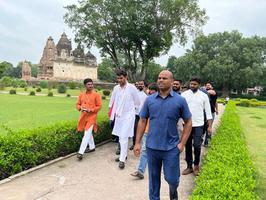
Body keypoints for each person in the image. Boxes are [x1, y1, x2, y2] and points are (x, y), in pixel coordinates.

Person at [134, 70, 192, 200]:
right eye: (159, 78)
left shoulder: (180, 100)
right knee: (153, 181)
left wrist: (182, 143)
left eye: (164, 78)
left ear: (171, 81)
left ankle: (173, 191)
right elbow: (142, 120)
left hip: (171, 148)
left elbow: (188, 122)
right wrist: (137, 142)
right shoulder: (149, 100)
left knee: (172, 179)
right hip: (152, 147)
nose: (160, 80)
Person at [109, 70, 140, 169]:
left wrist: (130, 110)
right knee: (120, 136)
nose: (119, 80)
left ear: (126, 77)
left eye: (121, 78)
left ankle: (122, 160)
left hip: (128, 116)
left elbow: (137, 102)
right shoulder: (116, 88)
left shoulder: (131, 88)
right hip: (119, 116)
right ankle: (124, 155)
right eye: (118, 78)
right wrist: (112, 115)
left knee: (124, 136)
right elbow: (112, 101)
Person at [181, 77, 213, 176]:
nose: (192, 86)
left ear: (199, 85)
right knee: (188, 145)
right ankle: (189, 166)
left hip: (199, 124)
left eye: (194, 84)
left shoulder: (204, 96)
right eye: (191, 84)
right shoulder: (184, 95)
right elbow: (180, 109)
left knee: (197, 146)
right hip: (186, 124)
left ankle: (196, 165)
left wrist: (210, 126)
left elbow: (208, 112)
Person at [130, 83, 158, 179]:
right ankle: (140, 171)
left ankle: (155, 172)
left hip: (158, 132)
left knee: (156, 152)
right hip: (147, 130)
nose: (151, 92)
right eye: (150, 90)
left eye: (153, 91)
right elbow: (143, 118)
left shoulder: (161, 102)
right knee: (145, 151)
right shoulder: (148, 101)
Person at [76, 78, 102, 160]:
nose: (91, 86)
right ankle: (92, 147)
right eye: (88, 84)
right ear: (85, 85)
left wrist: (91, 110)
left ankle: (80, 152)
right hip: (83, 116)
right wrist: (81, 108)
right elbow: (77, 104)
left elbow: (99, 106)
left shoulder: (96, 95)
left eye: (91, 84)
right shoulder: (81, 95)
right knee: (88, 132)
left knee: (86, 133)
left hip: (92, 117)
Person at [130, 80, 147, 150]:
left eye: (142, 84)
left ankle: (139, 143)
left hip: (141, 115)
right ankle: (134, 144)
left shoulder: (146, 96)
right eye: (139, 84)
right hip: (134, 114)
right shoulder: (134, 93)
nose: (140, 85)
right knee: (134, 129)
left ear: (144, 85)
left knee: (140, 130)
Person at [203, 82, 218, 146]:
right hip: (204, 112)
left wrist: (216, 109)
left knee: (209, 126)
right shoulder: (203, 93)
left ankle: (207, 141)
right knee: (203, 126)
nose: (208, 86)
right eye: (206, 85)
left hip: (211, 112)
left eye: (209, 85)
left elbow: (215, 102)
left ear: (212, 87)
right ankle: (201, 139)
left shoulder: (213, 92)